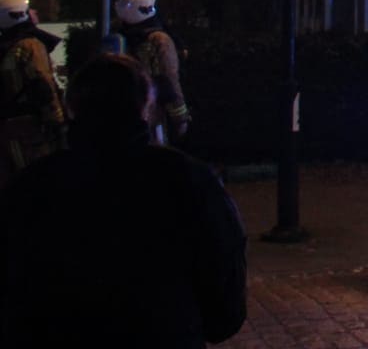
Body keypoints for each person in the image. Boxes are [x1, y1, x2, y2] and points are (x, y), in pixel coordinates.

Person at [0, 53, 246, 346]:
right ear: (145, 106)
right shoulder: (189, 180)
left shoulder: (32, 187)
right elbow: (224, 290)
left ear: (72, 106)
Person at [0, 0, 67, 184]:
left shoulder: (7, 46)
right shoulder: (30, 45)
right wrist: (58, 121)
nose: (35, 12)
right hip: (30, 129)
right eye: (30, 9)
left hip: (7, 126)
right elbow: (42, 85)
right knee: (37, 177)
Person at [116, 0, 193, 144]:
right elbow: (168, 78)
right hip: (154, 113)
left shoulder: (119, 40)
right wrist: (180, 116)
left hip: (124, 113)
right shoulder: (160, 39)